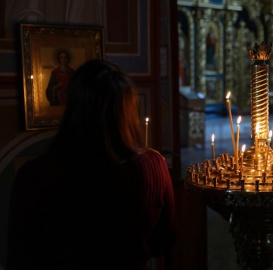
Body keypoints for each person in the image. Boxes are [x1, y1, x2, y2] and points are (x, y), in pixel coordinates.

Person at [7, 59, 175, 269]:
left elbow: (20, 258)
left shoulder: (36, 176)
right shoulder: (154, 165)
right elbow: (162, 242)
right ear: (128, 111)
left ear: (73, 108)